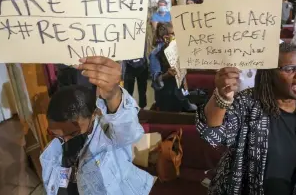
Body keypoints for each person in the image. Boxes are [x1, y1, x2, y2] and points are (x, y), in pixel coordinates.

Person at [196, 43, 296, 195]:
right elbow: (213, 134)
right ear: (270, 74)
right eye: (290, 69)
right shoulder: (248, 103)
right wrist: (222, 96)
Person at [40, 56, 153, 195]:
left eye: (74, 133)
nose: (66, 140)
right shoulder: (49, 156)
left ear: (94, 115)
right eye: (56, 134)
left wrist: (113, 95)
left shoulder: (108, 136)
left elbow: (127, 131)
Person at [149, 22, 197, 112]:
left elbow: (182, 70)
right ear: (166, 38)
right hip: (166, 96)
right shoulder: (155, 54)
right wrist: (167, 74)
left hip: (180, 93)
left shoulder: (178, 49)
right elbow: (156, 80)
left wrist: (185, 84)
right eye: (174, 34)